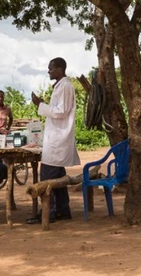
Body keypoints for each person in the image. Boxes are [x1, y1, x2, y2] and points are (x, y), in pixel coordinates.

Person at [27, 57, 80, 224]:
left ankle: (47, 213)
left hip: (58, 139)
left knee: (47, 178)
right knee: (58, 179)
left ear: (59, 69)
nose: (48, 71)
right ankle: (63, 210)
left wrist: (40, 105)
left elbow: (61, 111)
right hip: (57, 138)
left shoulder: (65, 86)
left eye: (51, 69)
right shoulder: (62, 86)